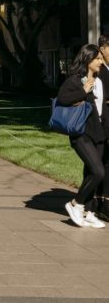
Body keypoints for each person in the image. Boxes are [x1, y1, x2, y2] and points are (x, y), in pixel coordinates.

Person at [57, 44, 106, 228]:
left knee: (90, 172)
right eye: (98, 59)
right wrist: (83, 91)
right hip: (81, 133)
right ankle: (75, 204)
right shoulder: (75, 80)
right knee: (98, 171)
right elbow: (62, 99)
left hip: (98, 133)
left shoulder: (100, 80)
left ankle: (89, 211)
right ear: (88, 60)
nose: (101, 62)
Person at [95, 35, 109, 219]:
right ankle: (97, 202)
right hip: (102, 124)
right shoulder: (100, 71)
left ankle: (104, 200)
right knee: (99, 162)